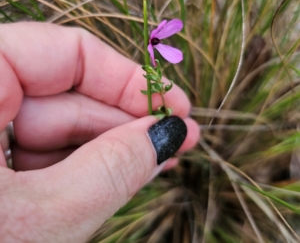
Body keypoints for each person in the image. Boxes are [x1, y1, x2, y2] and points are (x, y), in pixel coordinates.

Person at [0, 22, 199, 242]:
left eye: (156, 40)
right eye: (154, 41)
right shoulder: (151, 48)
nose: (155, 42)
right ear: (152, 41)